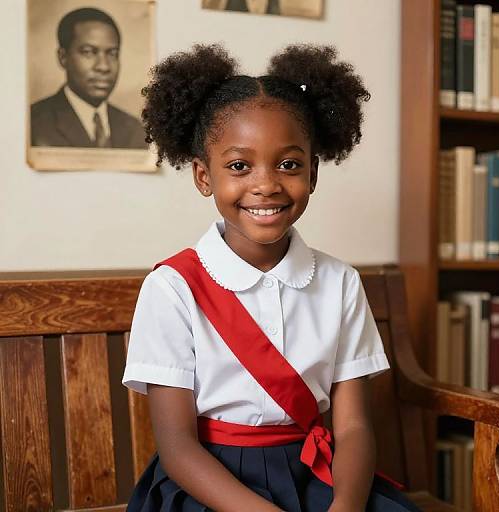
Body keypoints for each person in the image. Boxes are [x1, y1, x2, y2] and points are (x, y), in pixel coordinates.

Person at [122, 44, 421, 511]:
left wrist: (345, 506)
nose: (266, 184)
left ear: (314, 172)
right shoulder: (172, 288)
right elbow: (178, 449)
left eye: (288, 164)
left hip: (317, 476)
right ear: (203, 176)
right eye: (239, 166)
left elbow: (354, 427)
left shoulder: (340, 282)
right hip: (212, 486)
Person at [30, 7, 147, 149]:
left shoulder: (135, 130)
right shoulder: (32, 124)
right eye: (89, 52)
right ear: (63, 57)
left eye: (112, 53)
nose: (103, 67)